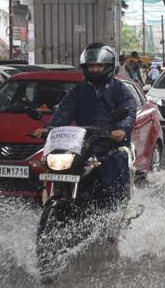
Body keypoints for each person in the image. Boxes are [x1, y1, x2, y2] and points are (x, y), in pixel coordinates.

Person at [32, 43, 137, 205]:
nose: (95, 69)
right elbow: (64, 111)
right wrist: (48, 129)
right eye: (91, 66)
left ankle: (118, 210)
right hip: (83, 143)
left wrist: (121, 129)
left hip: (110, 142)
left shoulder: (120, 89)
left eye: (99, 66)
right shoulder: (78, 91)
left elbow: (128, 111)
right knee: (64, 167)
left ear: (108, 66)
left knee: (113, 175)